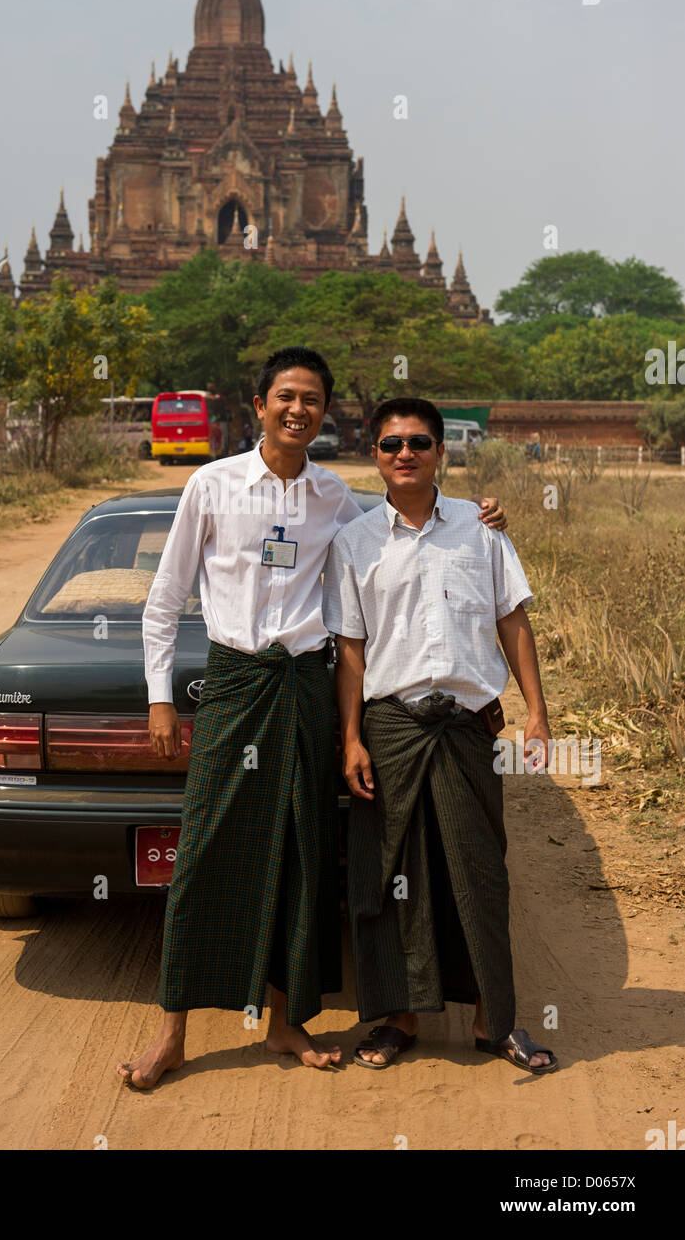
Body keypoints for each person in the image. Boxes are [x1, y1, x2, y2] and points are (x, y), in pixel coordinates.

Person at [116, 357, 506, 1089]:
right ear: (258, 404)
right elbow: (165, 598)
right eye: (286, 398)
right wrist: (159, 698)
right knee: (203, 853)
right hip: (235, 682)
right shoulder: (211, 484)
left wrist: (475, 513)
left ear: (324, 413)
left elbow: (404, 523)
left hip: (306, 685)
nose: (298, 410)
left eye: (312, 401)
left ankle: (284, 1023)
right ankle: (171, 1031)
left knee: (299, 854)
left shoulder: (335, 497)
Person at [323, 396, 558, 1076]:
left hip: (463, 726)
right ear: (374, 454)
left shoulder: (480, 530)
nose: (405, 453)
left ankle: (494, 1021)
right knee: (388, 874)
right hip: (391, 727)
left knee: (479, 873)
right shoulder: (355, 542)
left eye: (418, 442)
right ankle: (397, 1017)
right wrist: (350, 738)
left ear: (439, 453)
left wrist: (536, 713)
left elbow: (512, 621)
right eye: (391, 443)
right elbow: (351, 651)